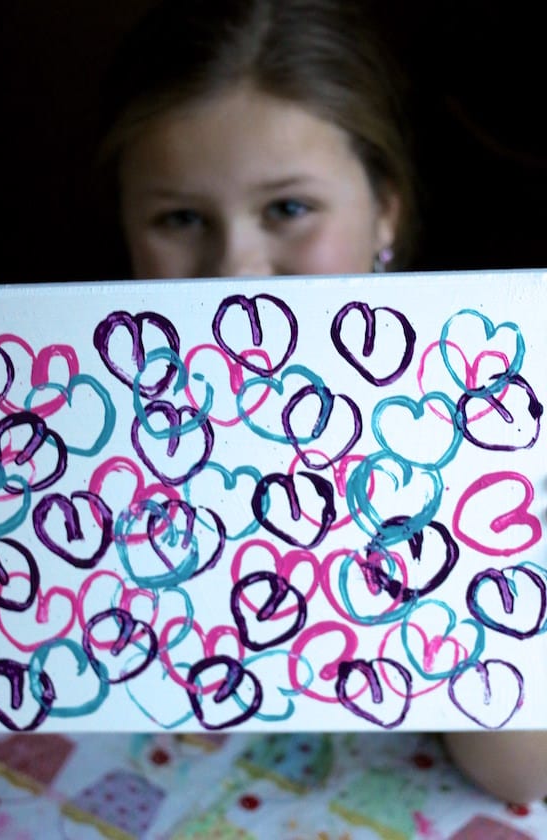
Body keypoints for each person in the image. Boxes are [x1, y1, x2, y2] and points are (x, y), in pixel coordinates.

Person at [97, 0, 547, 803]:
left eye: (289, 209)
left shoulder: (483, 418)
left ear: (385, 210)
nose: (235, 270)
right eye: (181, 218)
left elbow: (522, 772)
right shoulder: (72, 423)